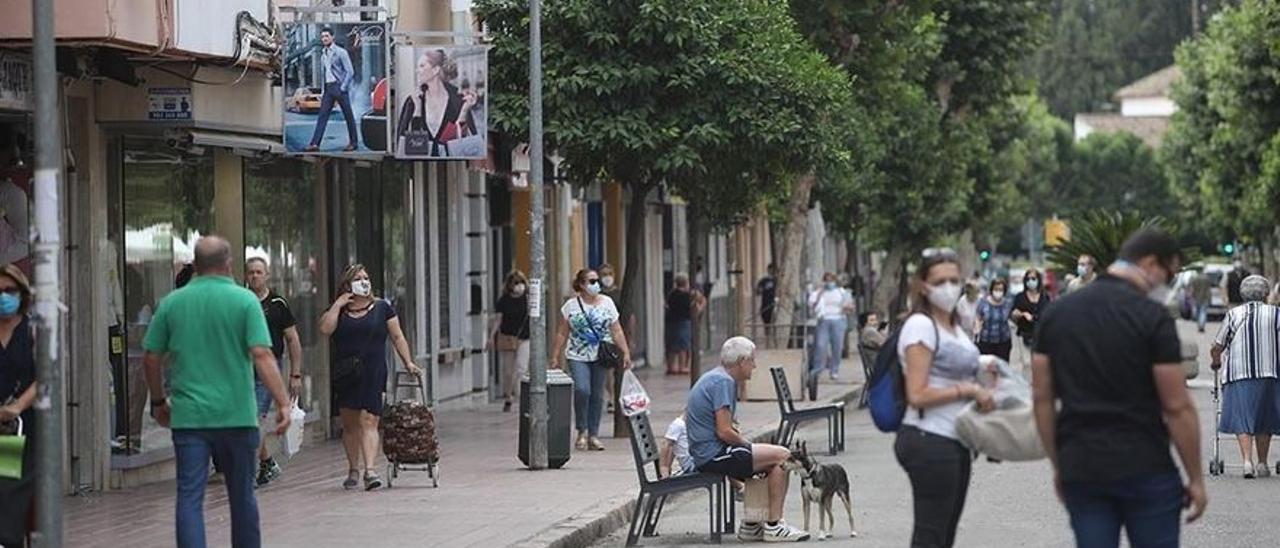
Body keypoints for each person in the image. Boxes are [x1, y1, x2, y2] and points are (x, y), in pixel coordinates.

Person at [1032, 228, 1206, 548]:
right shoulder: (1152, 317)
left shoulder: (1057, 315)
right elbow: (1176, 406)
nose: (1168, 283)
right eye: (1170, 273)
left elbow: (1042, 397)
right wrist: (1195, 478)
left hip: (1083, 469)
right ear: (1151, 264)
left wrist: (1060, 465)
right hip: (1146, 466)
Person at [141, 236, 293, 548]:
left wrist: (158, 401)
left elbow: (151, 356)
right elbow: (262, 354)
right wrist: (283, 404)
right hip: (237, 415)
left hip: (189, 418)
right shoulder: (245, 301)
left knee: (189, 497)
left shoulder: (173, 303)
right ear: (229, 264)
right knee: (242, 496)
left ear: (195, 265)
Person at [895, 248, 995, 548]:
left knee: (944, 534)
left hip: (955, 440)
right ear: (924, 286)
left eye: (954, 280)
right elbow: (917, 393)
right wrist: (969, 390)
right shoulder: (920, 326)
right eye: (940, 281)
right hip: (929, 438)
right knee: (931, 535)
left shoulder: (953, 326)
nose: (948, 288)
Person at [689, 336, 809, 542]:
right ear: (742, 361)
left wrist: (752, 450)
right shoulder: (723, 382)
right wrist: (750, 446)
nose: (754, 365)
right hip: (711, 455)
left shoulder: (716, 377)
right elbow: (724, 431)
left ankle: (752, 525)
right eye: (752, 360)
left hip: (707, 452)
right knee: (783, 457)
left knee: (767, 460)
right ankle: (774, 525)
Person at [320, 264, 423, 491]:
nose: (364, 281)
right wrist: (338, 303)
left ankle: (370, 470)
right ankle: (353, 469)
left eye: (366, 277)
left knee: (370, 420)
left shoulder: (382, 308)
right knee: (350, 424)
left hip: (373, 371)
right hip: (347, 373)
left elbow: (397, 337)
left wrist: (408, 362)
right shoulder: (339, 311)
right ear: (348, 284)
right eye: (358, 278)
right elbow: (326, 329)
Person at [551, 268, 632, 451]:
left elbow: (616, 330)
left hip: (601, 355)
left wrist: (625, 352)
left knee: (597, 395)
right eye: (591, 281)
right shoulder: (571, 306)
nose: (596, 284)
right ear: (581, 284)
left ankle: (593, 434)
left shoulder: (607, 303)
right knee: (582, 389)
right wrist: (555, 355)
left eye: (597, 280)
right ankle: (581, 430)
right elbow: (562, 332)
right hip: (577, 355)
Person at [1210, 275, 1280, 478]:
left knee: (1243, 416)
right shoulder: (1276, 314)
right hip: (1271, 373)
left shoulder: (1234, 314)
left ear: (1242, 294)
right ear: (1266, 294)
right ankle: (1262, 464)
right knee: (1265, 416)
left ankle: (1247, 462)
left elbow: (1217, 346)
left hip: (1240, 373)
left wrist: (1216, 361)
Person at [243, 258, 303, 488]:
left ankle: (251, 472)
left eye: (259, 272)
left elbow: (292, 339)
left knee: (254, 417)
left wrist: (295, 374)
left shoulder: (278, 303)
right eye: (251, 273)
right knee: (248, 418)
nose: (255, 276)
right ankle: (267, 462)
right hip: (243, 366)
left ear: (267, 275)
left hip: (268, 367)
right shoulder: (241, 302)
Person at [0, 265, 36, 546]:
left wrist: (17, 407)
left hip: (14, 426)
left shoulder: (32, 329)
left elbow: (46, 376)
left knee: (8, 487)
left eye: (9, 291)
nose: (3, 296)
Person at [396, 49, 478, 157]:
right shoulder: (414, 100)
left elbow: (464, 143)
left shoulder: (458, 100)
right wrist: (418, 110)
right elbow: (407, 145)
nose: (417, 70)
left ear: (435, 70)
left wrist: (464, 112)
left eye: (422, 66)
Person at [305, 27, 359, 152]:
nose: (324, 39)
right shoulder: (323, 54)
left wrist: (342, 87)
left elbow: (350, 72)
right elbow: (326, 73)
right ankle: (315, 144)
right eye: (322, 37)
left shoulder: (341, 52)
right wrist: (324, 91)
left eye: (327, 36)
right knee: (322, 116)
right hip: (329, 89)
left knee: (348, 116)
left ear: (332, 37)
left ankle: (353, 142)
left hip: (339, 87)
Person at [490, 270, 531, 413]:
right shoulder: (504, 301)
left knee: (521, 368)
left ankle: (521, 398)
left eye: (521, 282)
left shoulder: (528, 299)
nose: (519, 286)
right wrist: (491, 336)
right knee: (508, 371)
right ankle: (508, 396)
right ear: (509, 285)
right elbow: (498, 320)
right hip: (508, 337)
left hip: (525, 338)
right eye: (515, 283)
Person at [810, 272, 855, 381]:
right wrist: (819, 294)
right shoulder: (819, 292)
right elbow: (812, 305)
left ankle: (834, 370)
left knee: (837, 347)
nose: (829, 283)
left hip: (838, 320)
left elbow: (850, 307)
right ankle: (817, 369)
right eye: (827, 280)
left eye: (831, 280)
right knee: (821, 345)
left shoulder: (841, 292)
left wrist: (847, 307)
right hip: (824, 320)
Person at [665, 274, 705, 375]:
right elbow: (696, 309)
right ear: (686, 283)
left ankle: (671, 366)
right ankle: (682, 366)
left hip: (671, 322)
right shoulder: (688, 296)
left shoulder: (672, 294)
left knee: (672, 346)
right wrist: (702, 304)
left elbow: (667, 306)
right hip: (684, 322)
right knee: (683, 345)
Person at [1011, 269, 1051, 373]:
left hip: (1041, 335)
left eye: (1033, 278)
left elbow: (1048, 314)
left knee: (1040, 364)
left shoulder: (1044, 297)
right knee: (1027, 364)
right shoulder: (1020, 297)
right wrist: (1020, 314)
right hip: (1024, 334)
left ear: (1038, 280)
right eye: (1028, 279)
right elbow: (1013, 314)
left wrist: (1033, 318)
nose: (1030, 281)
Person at [974, 278, 1014, 361]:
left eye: (1001, 289)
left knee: (1002, 369)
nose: (998, 292)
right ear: (992, 289)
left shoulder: (1008, 303)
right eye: (996, 289)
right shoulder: (983, 302)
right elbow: (978, 316)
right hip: (986, 342)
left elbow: (1012, 317)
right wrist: (977, 328)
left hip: (1003, 342)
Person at [658, 412, 695, 478]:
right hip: (690, 463)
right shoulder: (678, 424)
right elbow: (666, 444)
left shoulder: (686, 425)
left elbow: (672, 447)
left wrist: (669, 466)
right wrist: (664, 467)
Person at [1190, 268, 1213, 333]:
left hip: (1196, 297)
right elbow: (1209, 289)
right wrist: (1210, 299)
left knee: (1198, 312)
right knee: (1203, 312)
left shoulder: (1194, 278)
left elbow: (1192, 289)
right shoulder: (1207, 278)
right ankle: (1201, 326)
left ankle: (1199, 325)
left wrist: (1191, 297)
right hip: (1205, 298)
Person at [756, 263, 778, 328]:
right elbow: (758, 291)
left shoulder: (777, 281)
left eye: (773, 270)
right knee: (767, 324)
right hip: (765, 305)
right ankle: (767, 336)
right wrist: (760, 290)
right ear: (768, 270)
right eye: (770, 270)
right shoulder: (764, 281)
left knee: (774, 324)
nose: (771, 271)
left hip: (774, 305)